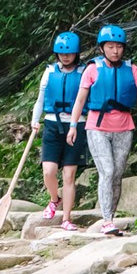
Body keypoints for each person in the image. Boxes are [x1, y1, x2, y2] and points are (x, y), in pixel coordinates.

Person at [66, 24, 137, 235]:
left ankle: (111, 218)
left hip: (124, 128)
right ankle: (107, 220)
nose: (115, 51)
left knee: (116, 174)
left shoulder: (132, 69)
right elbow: (80, 99)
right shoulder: (92, 69)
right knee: (106, 171)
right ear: (102, 49)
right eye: (110, 47)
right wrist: (73, 126)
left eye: (118, 47)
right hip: (97, 127)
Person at [30, 31, 87, 231]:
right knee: (49, 171)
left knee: (69, 175)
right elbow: (40, 99)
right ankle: (55, 199)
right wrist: (34, 121)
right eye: (62, 53)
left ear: (76, 53)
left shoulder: (83, 72)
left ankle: (66, 219)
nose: (65, 56)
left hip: (77, 124)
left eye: (69, 53)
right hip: (52, 124)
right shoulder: (49, 71)